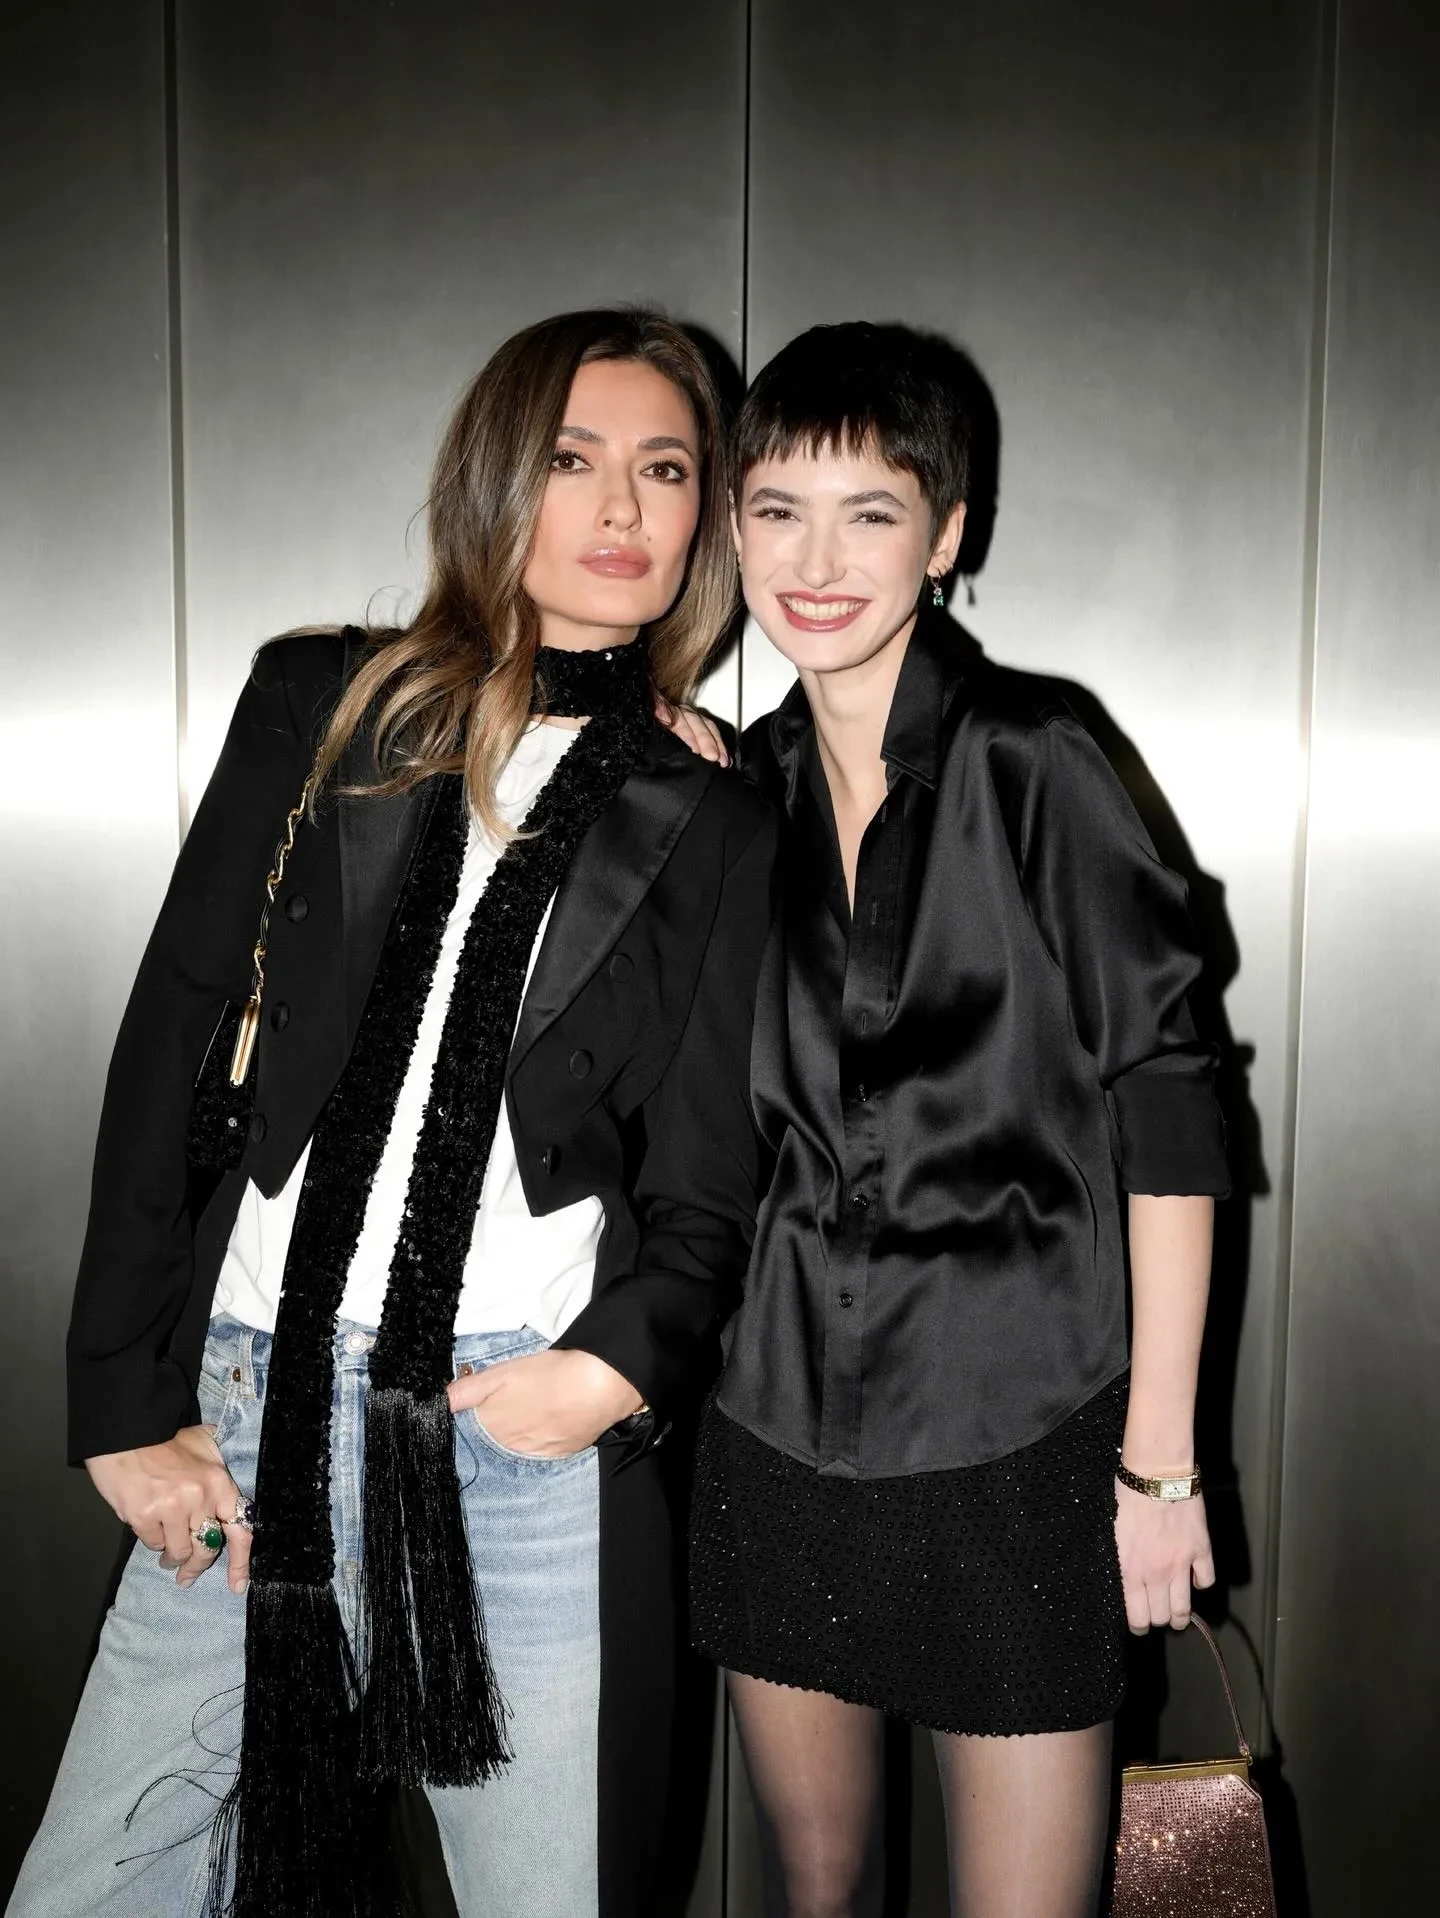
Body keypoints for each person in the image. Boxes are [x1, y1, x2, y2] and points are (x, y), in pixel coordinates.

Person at [12, 308, 774, 1918]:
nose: (622, 507)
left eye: (664, 470)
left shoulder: (707, 806)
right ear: (500, 477)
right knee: (98, 1890)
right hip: (255, 1416)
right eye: (573, 460)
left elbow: (715, 1176)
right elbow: (173, 1034)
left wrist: (609, 1373)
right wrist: (116, 1401)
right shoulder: (324, 701)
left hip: (518, 1441)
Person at [684, 323, 1230, 1918]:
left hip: (1019, 1442)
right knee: (817, 1886)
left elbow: (1171, 1110)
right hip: (772, 1430)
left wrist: (1161, 1467)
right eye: (779, 510)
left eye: (870, 512)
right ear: (735, 530)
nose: (817, 561)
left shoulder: (1035, 762)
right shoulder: (735, 794)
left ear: (947, 533)